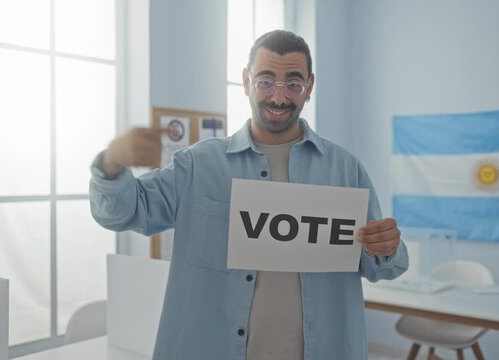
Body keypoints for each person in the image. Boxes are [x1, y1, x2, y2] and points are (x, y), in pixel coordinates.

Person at [90, 30, 408, 360]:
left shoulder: (345, 169)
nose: (279, 97)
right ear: (246, 80)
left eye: (293, 84)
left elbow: (383, 267)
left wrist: (387, 246)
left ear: (309, 87)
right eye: (266, 81)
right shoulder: (198, 165)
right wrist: (111, 164)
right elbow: (123, 212)